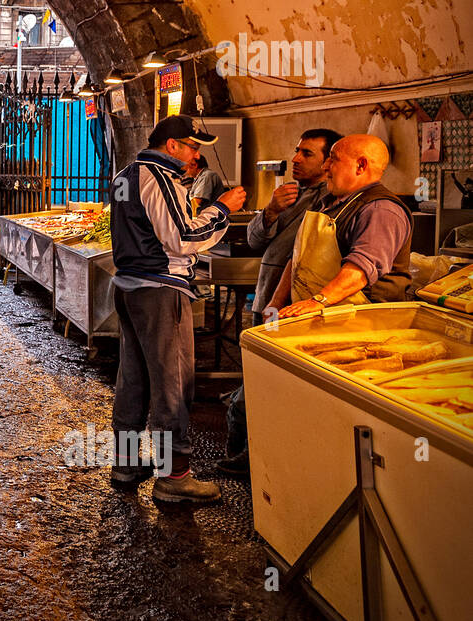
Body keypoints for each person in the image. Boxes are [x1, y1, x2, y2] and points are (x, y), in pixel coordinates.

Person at [109, 115, 246, 504]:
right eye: (191, 147)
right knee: (173, 384)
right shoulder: (158, 177)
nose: (194, 155)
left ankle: (126, 461)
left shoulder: (126, 175)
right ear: (172, 145)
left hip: (130, 286)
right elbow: (184, 238)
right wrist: (222, 209)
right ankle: (174, 477)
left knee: (133, 380)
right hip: (159, 290)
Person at [220, 128, 341, 475]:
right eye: (297, 151)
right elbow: (254, 239)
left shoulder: (330, 200)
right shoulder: (289, 194)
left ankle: (250, 458)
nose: (296, 159)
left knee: (266, 381)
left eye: (307, 154)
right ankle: (243, 454)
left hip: (295, 305)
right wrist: (271, 210)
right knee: (257, 372)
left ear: (330, 162)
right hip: (268, 295)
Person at [272, 133, 412, 318]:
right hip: (321, 317)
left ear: (360, 166)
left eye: (333, 159)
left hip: (363, 324)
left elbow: (360, 269)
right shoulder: (326, 203)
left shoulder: (381, 210)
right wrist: (276, 302)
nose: (325, 166)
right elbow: (298, 257)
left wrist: (318, 301)